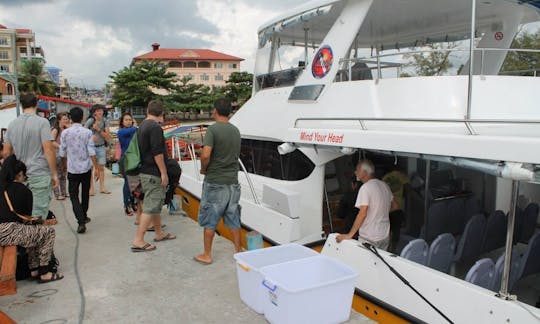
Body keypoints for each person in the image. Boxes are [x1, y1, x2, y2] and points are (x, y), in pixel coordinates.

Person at [0, 155, 64, 283]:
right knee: (47, 232)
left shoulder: (2, 187)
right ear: (19, 174)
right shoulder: (23, 190)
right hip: (8, 231)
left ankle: (34, 269)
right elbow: (26, 220)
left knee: (33, 233)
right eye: (24, 175)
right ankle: (44, 272)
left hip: (5, 231)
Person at [194, 98, 241, 265]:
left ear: (215, 110)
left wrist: (203, 169)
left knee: (210, 220)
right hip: (233, 182)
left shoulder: (213, 130)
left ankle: (207, 254)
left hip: (215, 181)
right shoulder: (236, 131)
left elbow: (206, 154)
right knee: (233, 218)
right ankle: (238, 252)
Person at [2, 93, 59, 220]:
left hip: (19, 177)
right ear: (36, 104)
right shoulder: (42, 123)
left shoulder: (12, 124)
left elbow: (6, 153)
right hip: (39, 174)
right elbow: (48, 150)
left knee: (22, 215)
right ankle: (37, 239)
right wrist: (54, 173)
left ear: (21, 105)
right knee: (38, 215)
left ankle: (26, 239)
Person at [131, 100, 176, 252]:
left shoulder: (142, 125)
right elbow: (158, 153)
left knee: (154, 203)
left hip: (144, 170)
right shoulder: (155, 128)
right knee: (150, 206)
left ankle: (159, 232)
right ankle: (138, 240)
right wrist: (164, 173)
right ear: (161, 113)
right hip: (153, 172)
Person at [336, 160, 397, 250]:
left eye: (357, 170)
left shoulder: (365, 188)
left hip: (369, 238)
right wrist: (379, 213)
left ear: (364, 173)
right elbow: (395, 206)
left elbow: (362, 213)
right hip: (384, 235)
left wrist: (350, 234)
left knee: (365, 263)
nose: (355, 172)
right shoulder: (384, 185)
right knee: (380, 263)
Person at [59, 107, 99, 234]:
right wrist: (96, 167)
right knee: (85, 193)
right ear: (82, 117)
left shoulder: (65, 133)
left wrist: (64, 165)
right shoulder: (87, 132)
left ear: (70, 118)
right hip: (86, 168)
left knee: (74, 196)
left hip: (72, 168)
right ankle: (84, 215)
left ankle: (80, 221)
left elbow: (62, 152)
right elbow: (91, 151)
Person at [85, 104, 111, 195]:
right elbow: (83, 133)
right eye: (97, 110)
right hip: (91, 147)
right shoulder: (90, 121)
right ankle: (91, 188)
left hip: (101, 146)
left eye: (101, 110)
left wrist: (99, 129)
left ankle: (102, 187)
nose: (99, 112)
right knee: (91, 168)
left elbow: (108, 136)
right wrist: (91, 137)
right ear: (93, 112)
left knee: (101, 168)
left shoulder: (105, 121)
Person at [382, 168, 409, 252]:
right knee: (396, 231)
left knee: (387, 231)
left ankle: (386, 250)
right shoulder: (401, 176)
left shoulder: (385, 177)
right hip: (397, 208)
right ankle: (393, 250)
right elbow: (408, 189)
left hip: (387, 208)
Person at [117, 112, 137, 216]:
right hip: (126, 159)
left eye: (130, 119)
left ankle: (133, 202)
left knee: (135, 183)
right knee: (127, 183)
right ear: (122, 122)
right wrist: (136, 126)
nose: (128, 121)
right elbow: (134, 129)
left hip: (134, 159)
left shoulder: (133, 131)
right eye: (126, 120)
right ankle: (127, 205)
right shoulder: (121, 132)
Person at [51, 112, 71, 200]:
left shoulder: (66, 129)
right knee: (57, 174)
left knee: (63, 174)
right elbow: (51, 141)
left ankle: (64, 192)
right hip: (57, 154)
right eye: (64, 119)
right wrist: (61, 146)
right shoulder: (56, 130)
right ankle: (57, 193)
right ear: (59, 120)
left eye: (67, 119)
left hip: (65, 154)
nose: (66, 120)